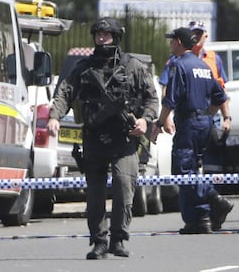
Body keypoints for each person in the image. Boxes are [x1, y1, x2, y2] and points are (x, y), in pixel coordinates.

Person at [47, 17, 159, 259]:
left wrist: (144, 120)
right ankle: (99, 241)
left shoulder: (133, 67)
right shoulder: (84, 68)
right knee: (95, 193)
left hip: (124, 139)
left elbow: (152, 98)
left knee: (123, 186)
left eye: (106, 35)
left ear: (115, 37)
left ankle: (118, 239)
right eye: (98, 35)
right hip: (94, 137)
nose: (101, 38)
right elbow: (64, 93)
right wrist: (54, 116)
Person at [150, 27, 230, 234]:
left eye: (171, 41)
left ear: (178, 42)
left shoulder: (180, 66)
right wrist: (208, 116)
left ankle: (213, 202)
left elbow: (170, 100)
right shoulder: (203, 66)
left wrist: (159, 123)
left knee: (183, 171)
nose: (170, 45)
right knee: (193, 170)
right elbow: (220, 97)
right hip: (204, 123)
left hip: (188, 124)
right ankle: (199, 219)